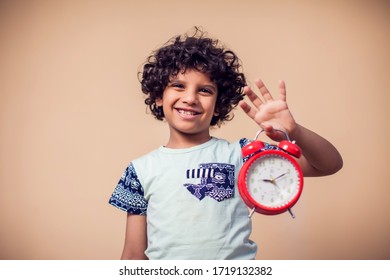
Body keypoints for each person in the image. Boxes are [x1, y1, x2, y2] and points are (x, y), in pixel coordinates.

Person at [108, 28, 343, 260]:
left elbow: (328, 164)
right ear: (159, 96)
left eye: (205, 90)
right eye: (178, 85)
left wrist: (294, 130)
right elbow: (133, 257)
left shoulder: (244, 156)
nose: (190, 98)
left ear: (219, 104)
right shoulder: (139, 171)